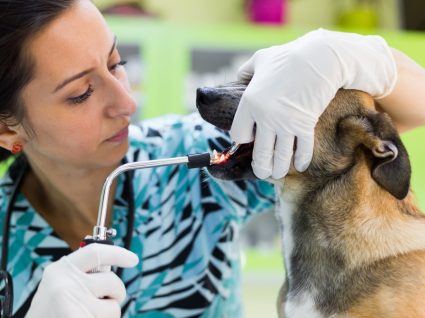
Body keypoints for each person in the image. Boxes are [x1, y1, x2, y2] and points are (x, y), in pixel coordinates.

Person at [0, 1, 424, 318]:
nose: (126, 102)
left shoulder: (188, 152)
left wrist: (343, 55)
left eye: (117, 63)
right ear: (8, 128)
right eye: (81, 94)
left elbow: (411, 109)